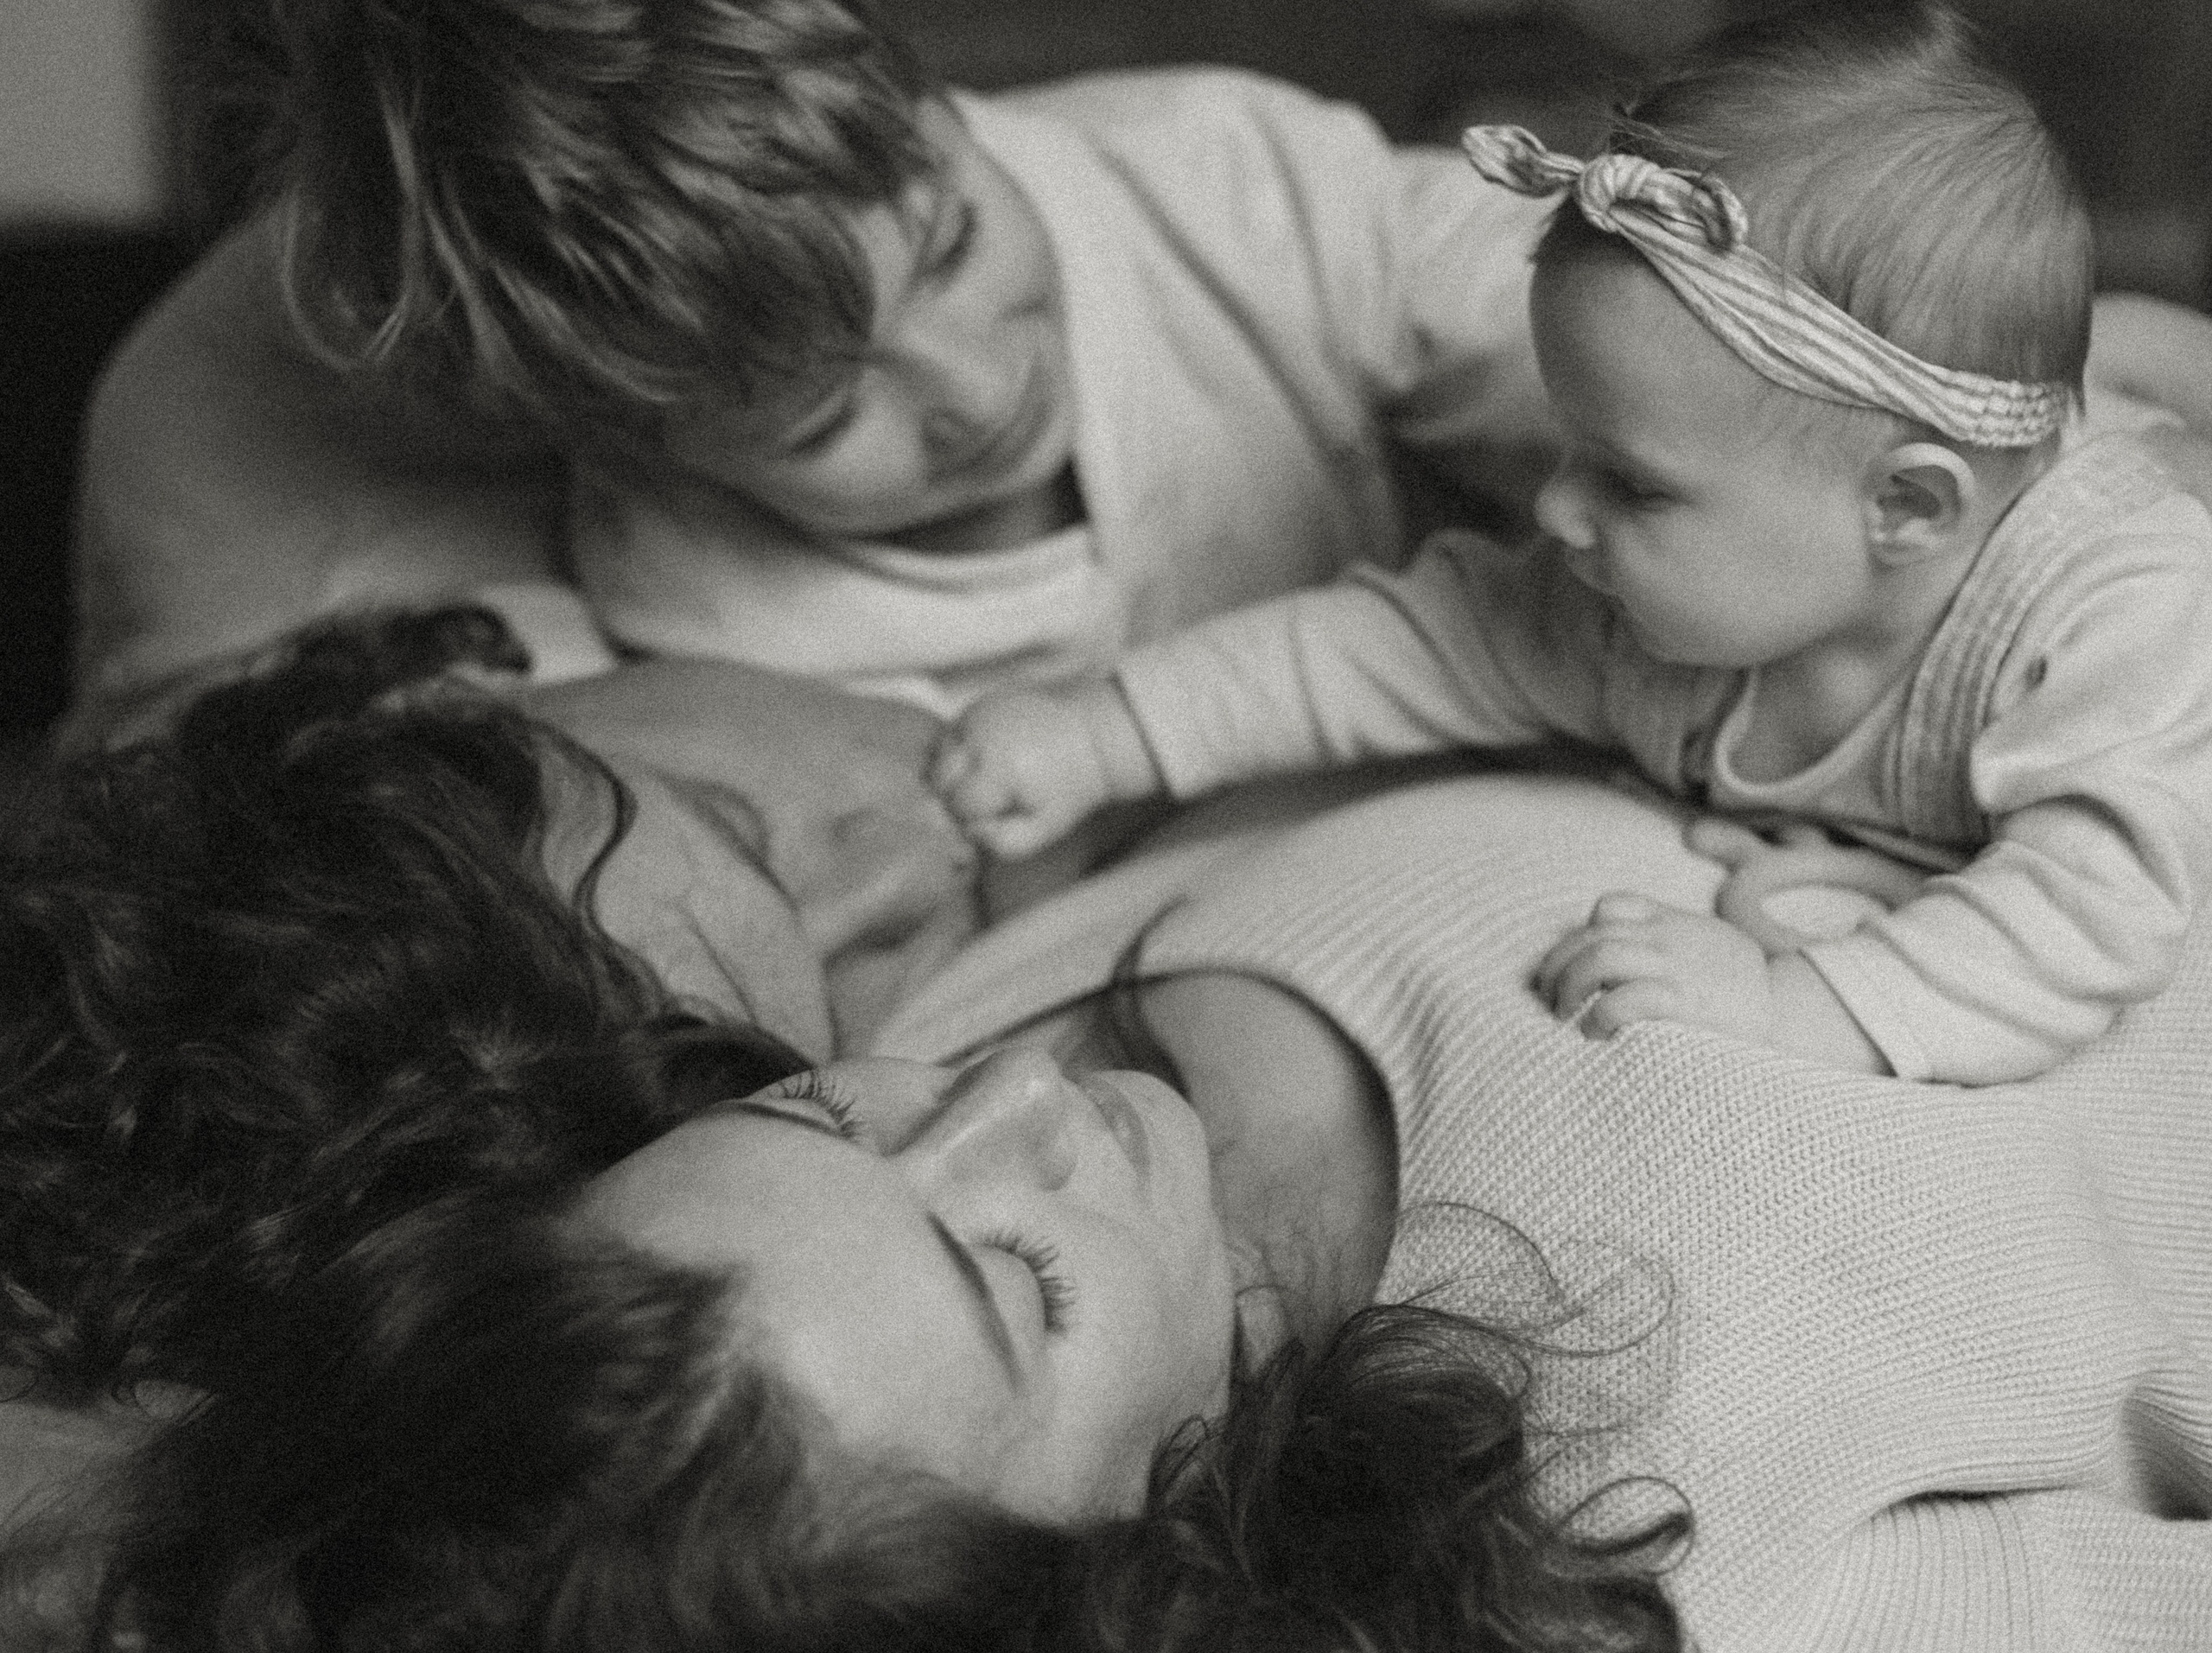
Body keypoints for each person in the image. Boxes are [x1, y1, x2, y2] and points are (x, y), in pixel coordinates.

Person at [10, 602, 2212, 1650]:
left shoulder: (984, 997)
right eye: (1014, 1282)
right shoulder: (1687, 1554)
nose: (1015, 1111)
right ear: (1102, 1576)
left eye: (828, 1110)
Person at [934, 0, 2212, 1086]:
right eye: (1568, 447)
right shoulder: (1633, 624)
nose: (1552, 510)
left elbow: (2088, 911)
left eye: (1632, 485)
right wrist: (1104, 732)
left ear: (1910, 509)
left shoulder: (2111, 620)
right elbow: (1397, 646)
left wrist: (1796, 1005)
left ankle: (2154, 357)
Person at [65, 0, 1563, 749]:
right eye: (830, 413)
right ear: (653, 448)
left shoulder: (1206, 171)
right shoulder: (719, 631)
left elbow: (1500, 289)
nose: (972, 390)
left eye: (953, 245)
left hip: (1542, 648)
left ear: (940, 109)